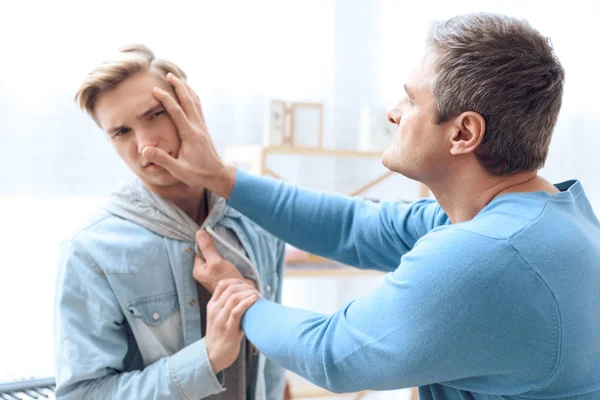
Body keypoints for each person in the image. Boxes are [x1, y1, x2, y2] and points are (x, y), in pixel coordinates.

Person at [141, 13, 600, 400]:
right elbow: (353, 228)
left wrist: (239, 297)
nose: (393, 112)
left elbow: (331, 356)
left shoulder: (489, 254)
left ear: (463, 133)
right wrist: (221, 178)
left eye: (411, 98)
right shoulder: (541, 215)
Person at [53, 44, 286, 400]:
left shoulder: (260, 220)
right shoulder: (90, 251)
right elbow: (81, 395)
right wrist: (206, 359)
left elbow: (270, 366)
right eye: (121, 132)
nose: (146, 145)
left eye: (155, 114)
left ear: (189, 105)